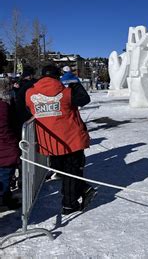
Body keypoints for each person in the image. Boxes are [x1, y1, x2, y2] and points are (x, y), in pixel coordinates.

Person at [25, 65, 96, 215]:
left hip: (49, 141)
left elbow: (26, 109)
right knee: (72, 170)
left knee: (64, 170)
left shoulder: (30, 93)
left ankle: (80, 191)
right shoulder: (66, 92)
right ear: (58, 76)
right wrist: (75, 82)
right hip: (71, 139)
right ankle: (70, 204)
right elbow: (85, 99)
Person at [0, 79, 21, 210]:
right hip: (5, 148)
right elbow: (3, 129)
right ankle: (3, 200)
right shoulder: (3, 106)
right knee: (5, 175)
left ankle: (5, 197)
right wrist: (14, 144)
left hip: (5, 147)